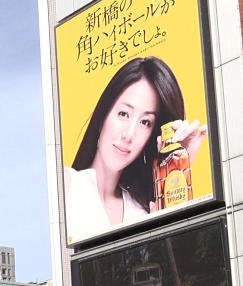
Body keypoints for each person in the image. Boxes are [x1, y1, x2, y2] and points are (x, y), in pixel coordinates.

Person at [63, 57, 207, 236]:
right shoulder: (66, 185)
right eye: (124, 114)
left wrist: (176, 168)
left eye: (145, 122)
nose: (129, 134)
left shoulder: (143, 211)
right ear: (102, 117)